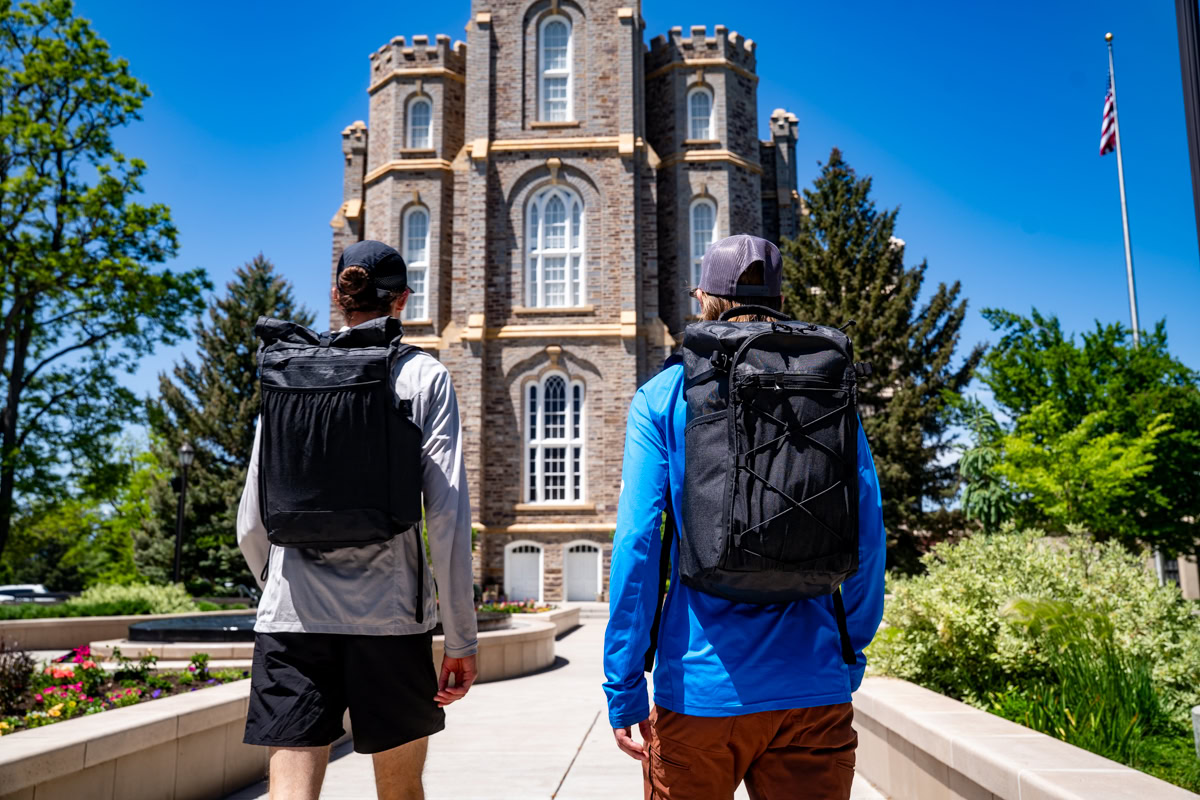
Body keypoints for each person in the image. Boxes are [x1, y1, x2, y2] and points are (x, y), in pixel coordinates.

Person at [603, 234, 886, 800]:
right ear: (779, 299)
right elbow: (869, 530)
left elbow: (639, 542)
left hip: (701, 693)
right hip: (813, 688)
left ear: (704, 298)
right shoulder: (827, 386)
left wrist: (624, 684)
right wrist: (847, 652)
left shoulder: (665, 394)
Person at [237, 240, 478, 800]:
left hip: (292, 619)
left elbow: (252, 517)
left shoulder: (288, 371)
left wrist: (277, 587)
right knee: (400, 791)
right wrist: (460, 636)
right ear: (403, 300)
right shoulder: (423, 375)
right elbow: (446, 515)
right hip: (389, 620)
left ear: (338, 296)